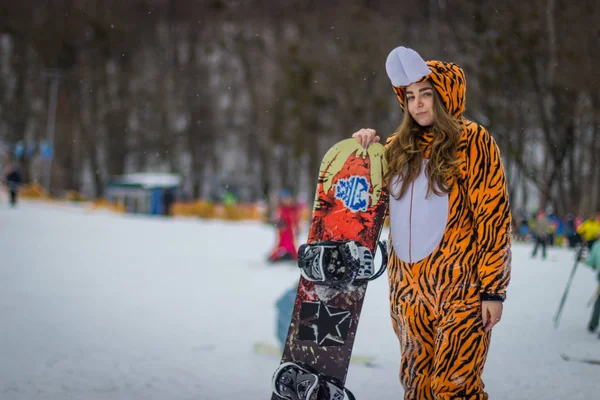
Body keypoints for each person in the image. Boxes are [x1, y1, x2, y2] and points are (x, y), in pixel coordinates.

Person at [353, 46, 512, 399]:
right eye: (410, 96)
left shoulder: (473, 141)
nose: (418, 104)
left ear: (446, 94)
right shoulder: (395, 147)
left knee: (454, 388)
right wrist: (361, 152)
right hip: (408, 293)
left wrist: (493, 290)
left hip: (461, 289)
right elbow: (364, 206)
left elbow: (493, 217)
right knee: (417, 387)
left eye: (426, 93)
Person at [268, 189, 300, 262]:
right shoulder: (281, 209)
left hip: (290, 231)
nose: (287, 201)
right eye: (285, 199)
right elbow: (277, 218)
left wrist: (297, 228)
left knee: (291, 244)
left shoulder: (293, 209)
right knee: (281, 244)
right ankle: (275, 256)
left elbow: (295, 220)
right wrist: (279, 223)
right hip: (283, 231)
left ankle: (293, 256)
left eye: (288, 199)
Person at [585, 239, 600, 337]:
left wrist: (582, 259)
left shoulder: (597, 245)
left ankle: (593, 324)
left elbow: (591, 262)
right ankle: (593, 324)